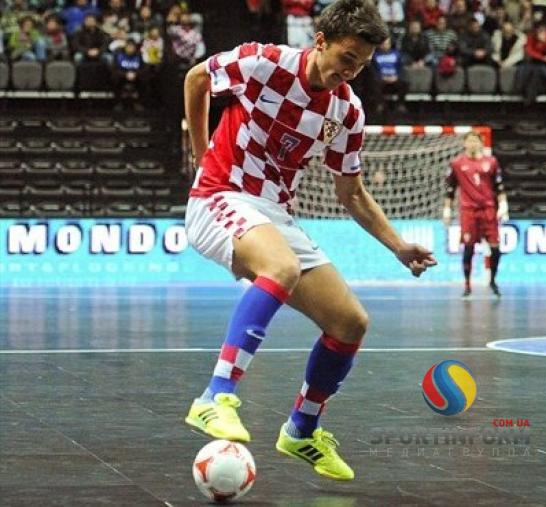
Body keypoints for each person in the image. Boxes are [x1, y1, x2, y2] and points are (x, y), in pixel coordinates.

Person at [181, 0, 436, 482]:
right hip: (220, 193)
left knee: (350, 322)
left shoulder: (347, 111)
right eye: (346, 58)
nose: (351, 72)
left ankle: (301, 429)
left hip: (275, 214)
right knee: (281, 268)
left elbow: (351, 192)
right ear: (320, 41)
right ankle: (215, 396)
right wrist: (201, 153)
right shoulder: (265, 62)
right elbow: (197, 79)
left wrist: (398, 245)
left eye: (361, 65)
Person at [443, 130, 508, 297]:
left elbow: (499, 186)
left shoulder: (491, 162)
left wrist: (503, 205)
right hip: (468, 211)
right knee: (468, 248)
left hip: (488, 210)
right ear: (464, 143)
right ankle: (467, 284)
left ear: (480, 143)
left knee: (495, 248)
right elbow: (450, 189)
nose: (472, 144)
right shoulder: (457, 163)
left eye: (475, 141)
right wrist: (447, 209)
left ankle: (493, 280)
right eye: (469, 141)